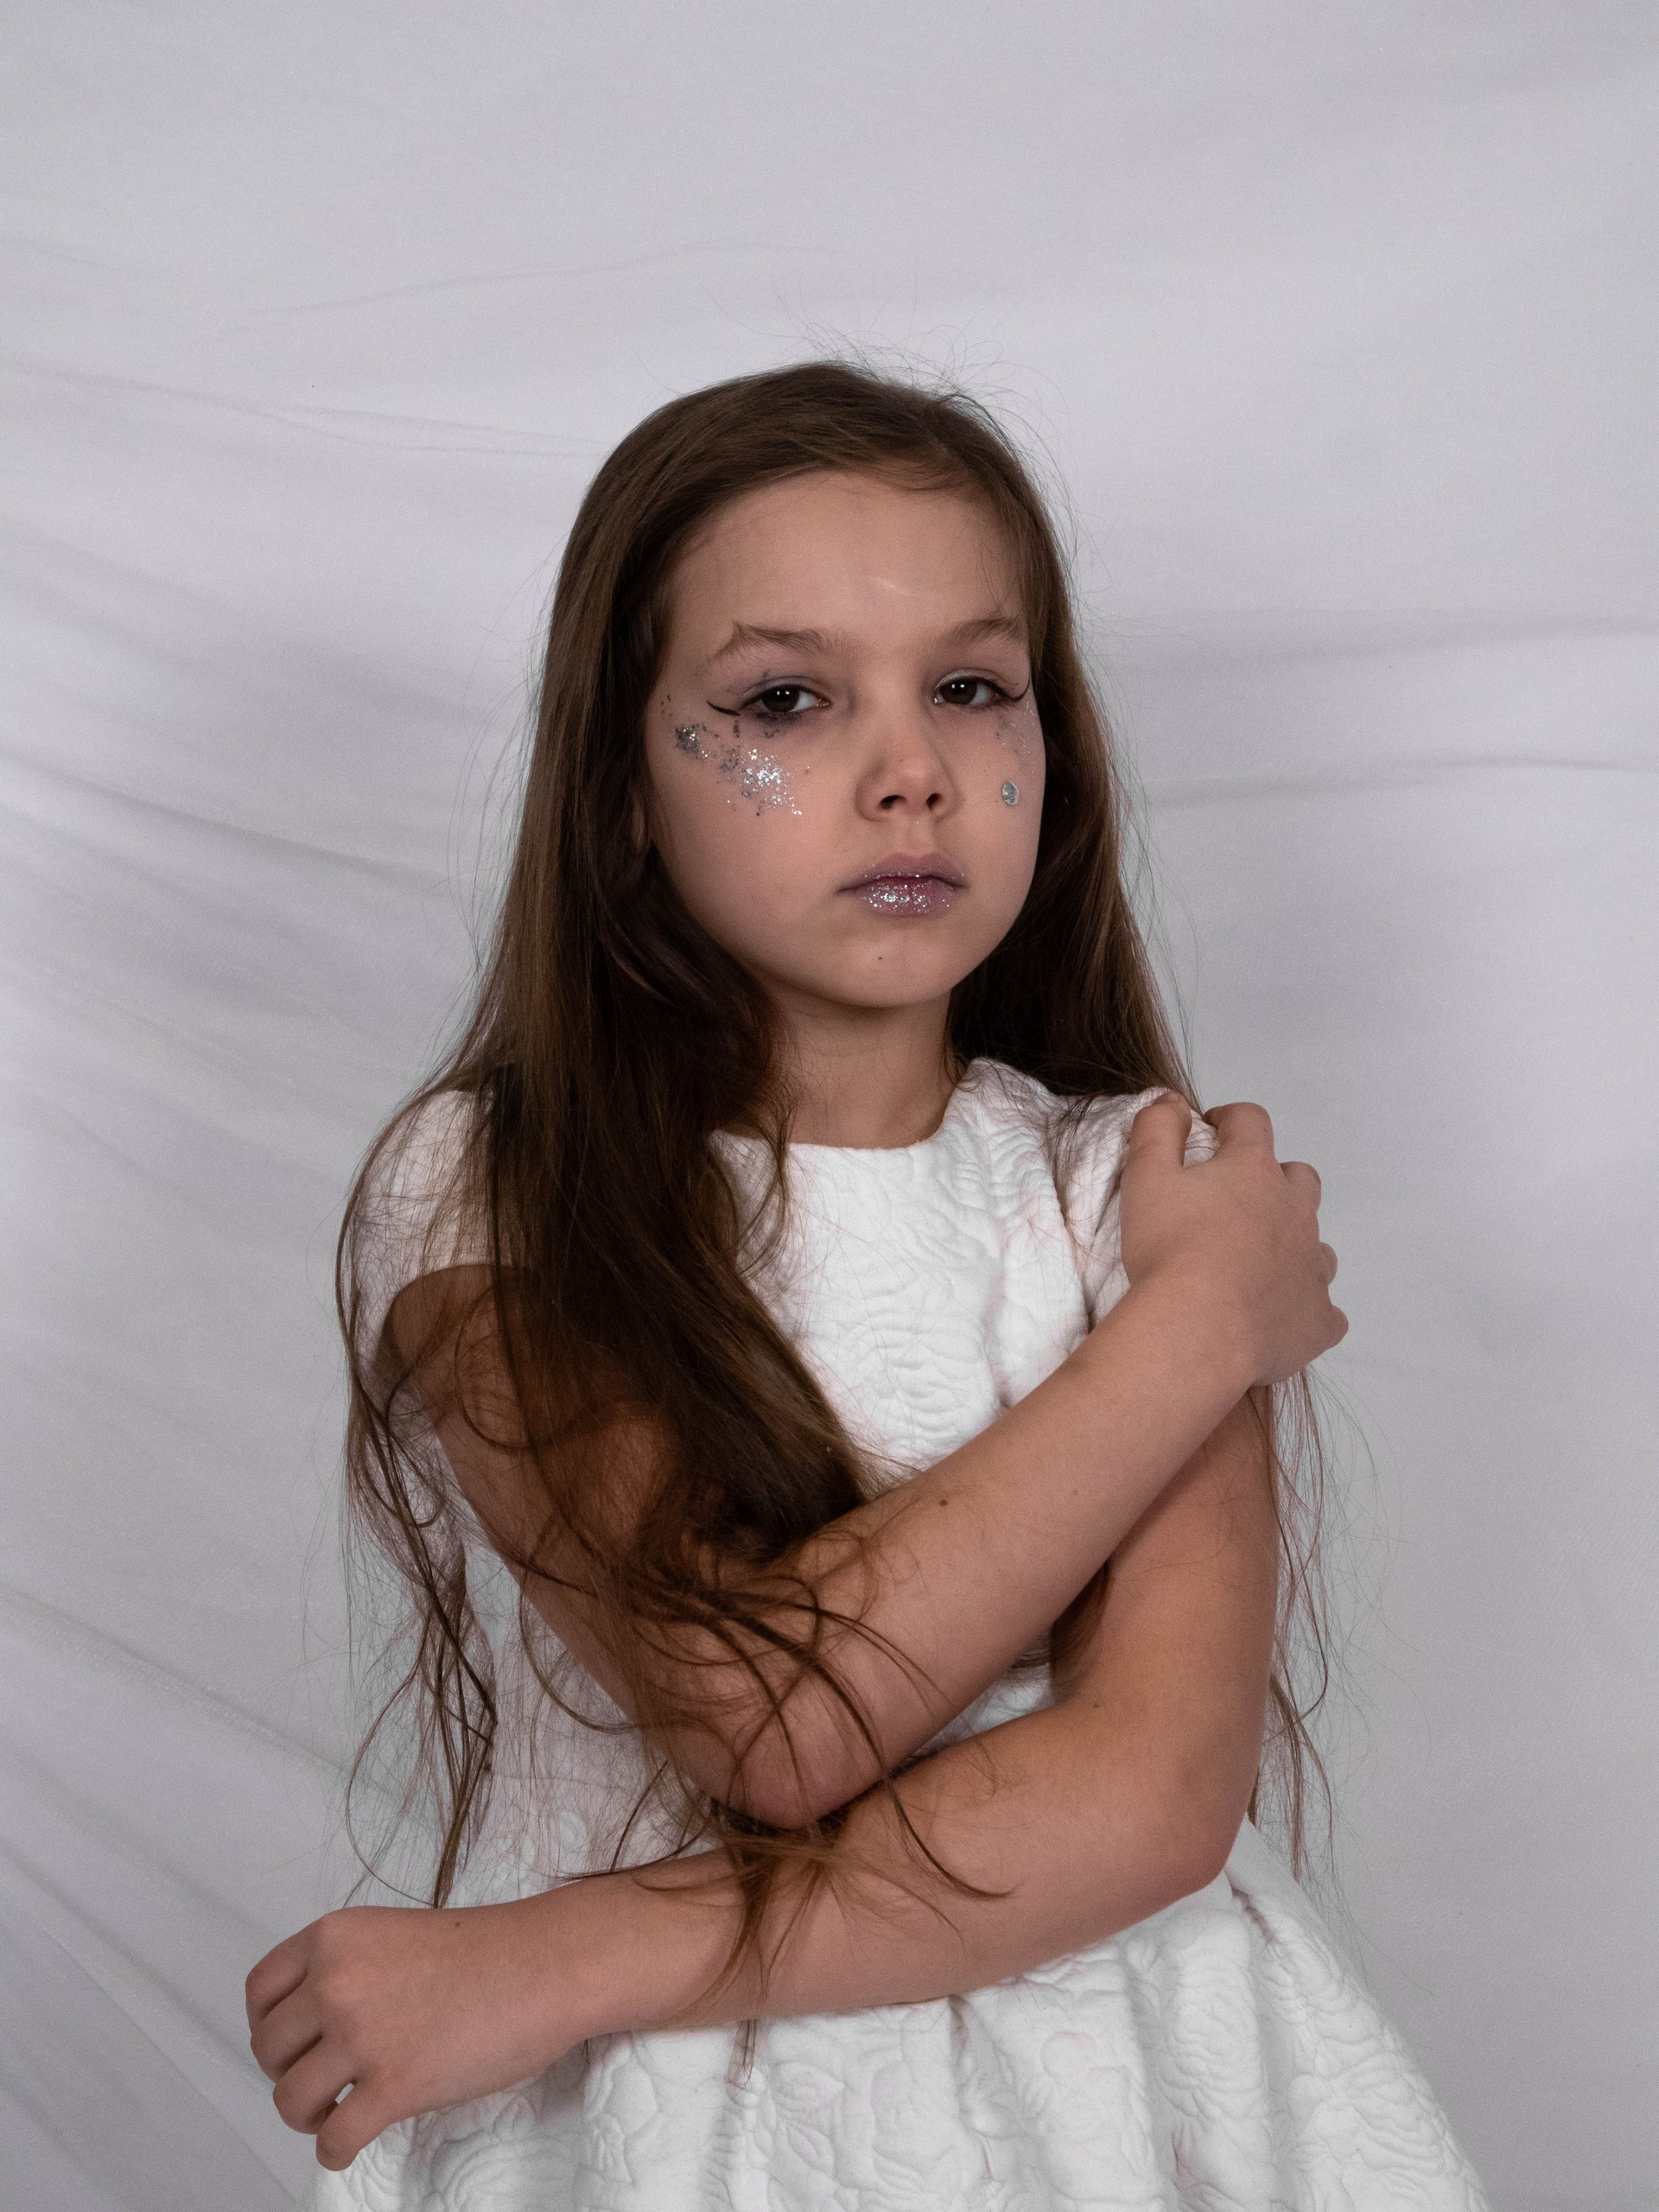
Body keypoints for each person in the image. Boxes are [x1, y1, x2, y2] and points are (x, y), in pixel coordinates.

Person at [246, 362, 1489, 2208]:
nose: (912, 770)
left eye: (972, 688)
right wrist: (1195, 1331)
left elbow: (1151, 1796)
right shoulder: (497, 1192)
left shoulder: (1127, 1194)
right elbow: (761, 1715)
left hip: (1118, 2104)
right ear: (623, 788)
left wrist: (569, 1950)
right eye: (786, 700)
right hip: (658, 2129)